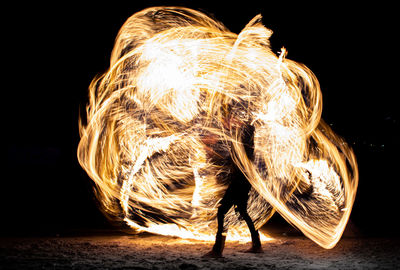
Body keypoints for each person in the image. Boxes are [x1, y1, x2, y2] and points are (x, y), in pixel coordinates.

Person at [203, 113, 262, 258]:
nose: (235, 122)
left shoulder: (244, 144)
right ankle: (257, 244)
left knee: (222, 211)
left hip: (240, 181)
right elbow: (233, 158)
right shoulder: (244, 144)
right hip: (243, 181)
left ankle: (218, 249)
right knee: (242, 212)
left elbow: (237, 160)